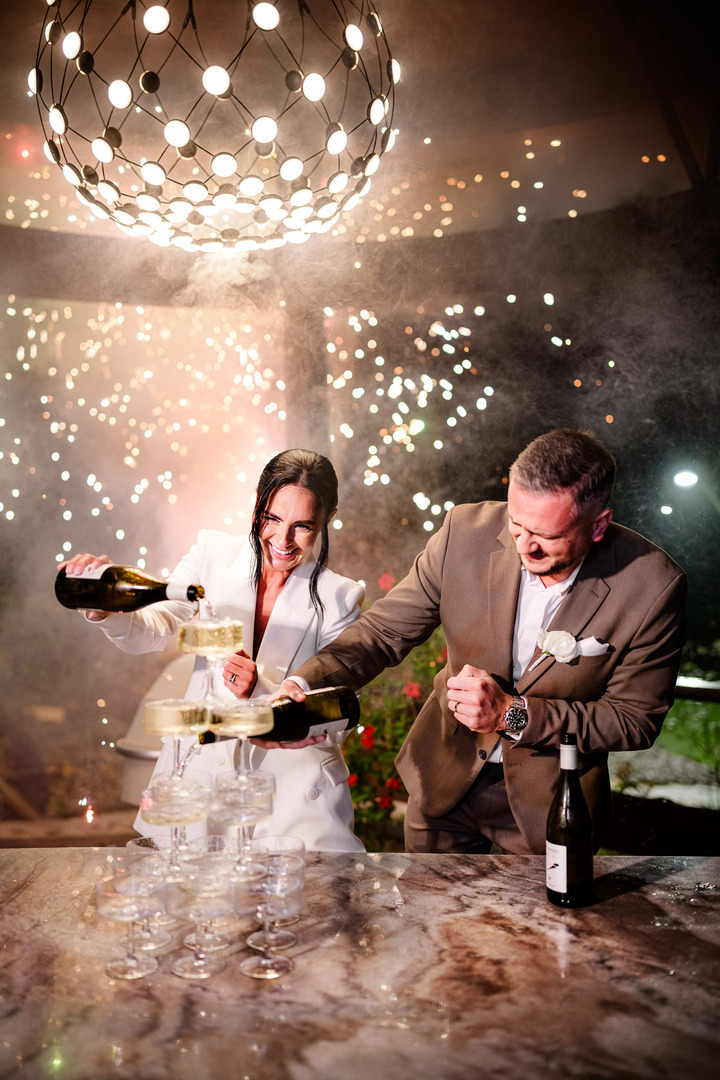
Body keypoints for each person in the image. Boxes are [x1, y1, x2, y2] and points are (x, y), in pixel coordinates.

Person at [275, 429, 687, 855]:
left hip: (549, 810)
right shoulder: (463, 532)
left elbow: (633, 720)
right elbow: (382, 632)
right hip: (443, 782)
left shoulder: (653, 586)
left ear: (598, 525)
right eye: (516, 523)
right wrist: (305, 685)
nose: (524, 546)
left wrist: (513, 715)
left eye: (545, 535)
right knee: (431, 920)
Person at [60, 449, 366, 852]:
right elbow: (154, 626)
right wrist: (109, 610)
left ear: (328, 519)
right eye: (272, 518)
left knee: (299, 911)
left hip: (293, 796)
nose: (282, 539)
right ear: (257, 505)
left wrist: (261, 691)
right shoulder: (212, 554)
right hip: (201, 779)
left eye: (303, 526)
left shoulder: (340, 596)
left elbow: (338, 709)